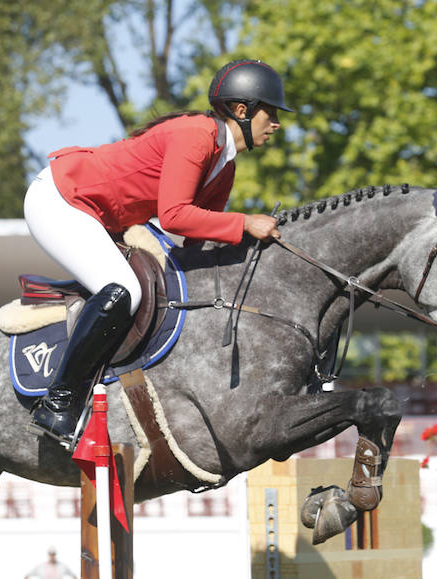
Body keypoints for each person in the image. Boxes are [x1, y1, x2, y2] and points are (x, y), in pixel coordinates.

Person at [24, 59, 292, 447]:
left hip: (98, 214)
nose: (276, 124)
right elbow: (174, 216)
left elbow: (197, 241)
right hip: (62, 199)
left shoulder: (225, 167)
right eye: (271, 113)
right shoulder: (196, 135)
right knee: (123, 290)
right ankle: (59, 401)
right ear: (242, 111)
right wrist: (246, 223)